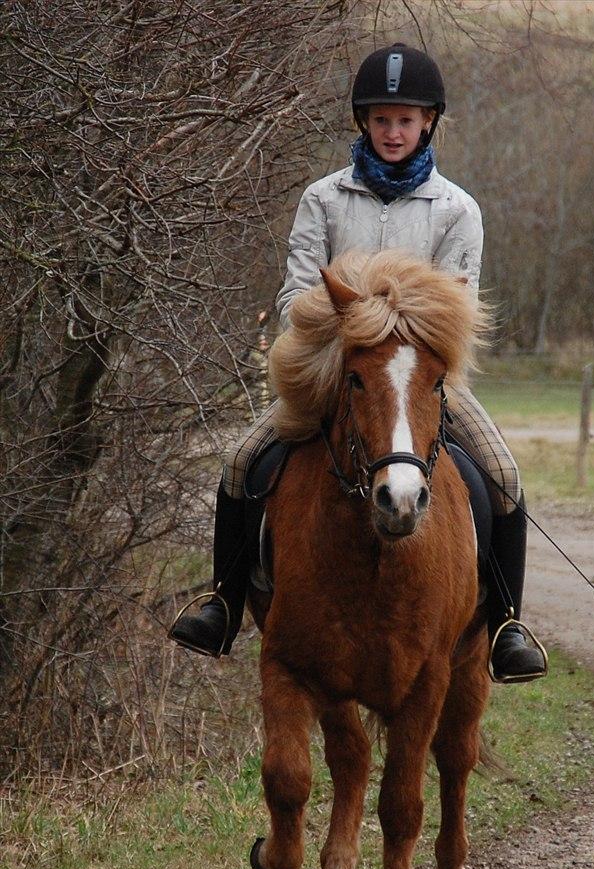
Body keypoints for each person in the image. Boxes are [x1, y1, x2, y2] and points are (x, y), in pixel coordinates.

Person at [170, 42, 547, 683]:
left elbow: (456, 311)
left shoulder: (457, 210)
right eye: (380, 119)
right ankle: (223, 603)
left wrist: (389, 324)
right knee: (239, 462)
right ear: (363, 124)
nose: (392, 131)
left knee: (505, 477)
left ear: (429, 122)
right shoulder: (324, 199)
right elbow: (294, 298)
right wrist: (351, 326)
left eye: (405, 119)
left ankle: (508, 624)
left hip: (423, 381)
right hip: (333, 373)